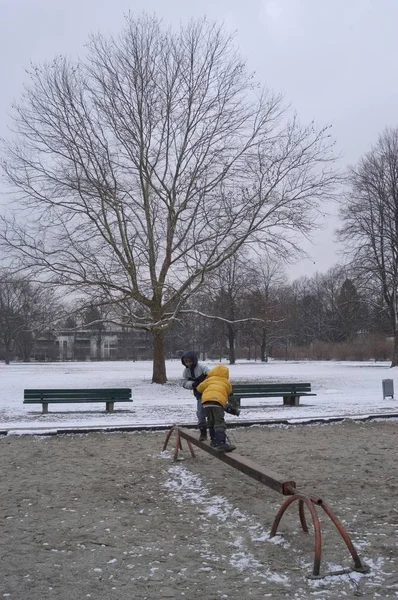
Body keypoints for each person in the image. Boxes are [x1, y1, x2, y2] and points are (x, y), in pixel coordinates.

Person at [196, 364, 236, 452]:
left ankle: (214, 440)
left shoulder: (208, 380)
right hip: (218, 403)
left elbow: (199, 388)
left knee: (211, 421)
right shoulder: (226, 382)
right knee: (219, 422)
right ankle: (221, 443)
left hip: (206, 403)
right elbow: (229, 391)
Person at [181, 351, 210, 441]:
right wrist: (193, 384)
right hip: (199, 395)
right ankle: (203, 432)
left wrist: (204, 380)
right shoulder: (186, 371)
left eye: (190, 361)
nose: (188, 363)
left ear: (194, 360)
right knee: (200, 413)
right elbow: (184, 382)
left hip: (209, 392)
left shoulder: (202, 367)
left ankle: (215, 431)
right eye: (186, 361)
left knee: (212, 412)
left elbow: (211, 374)